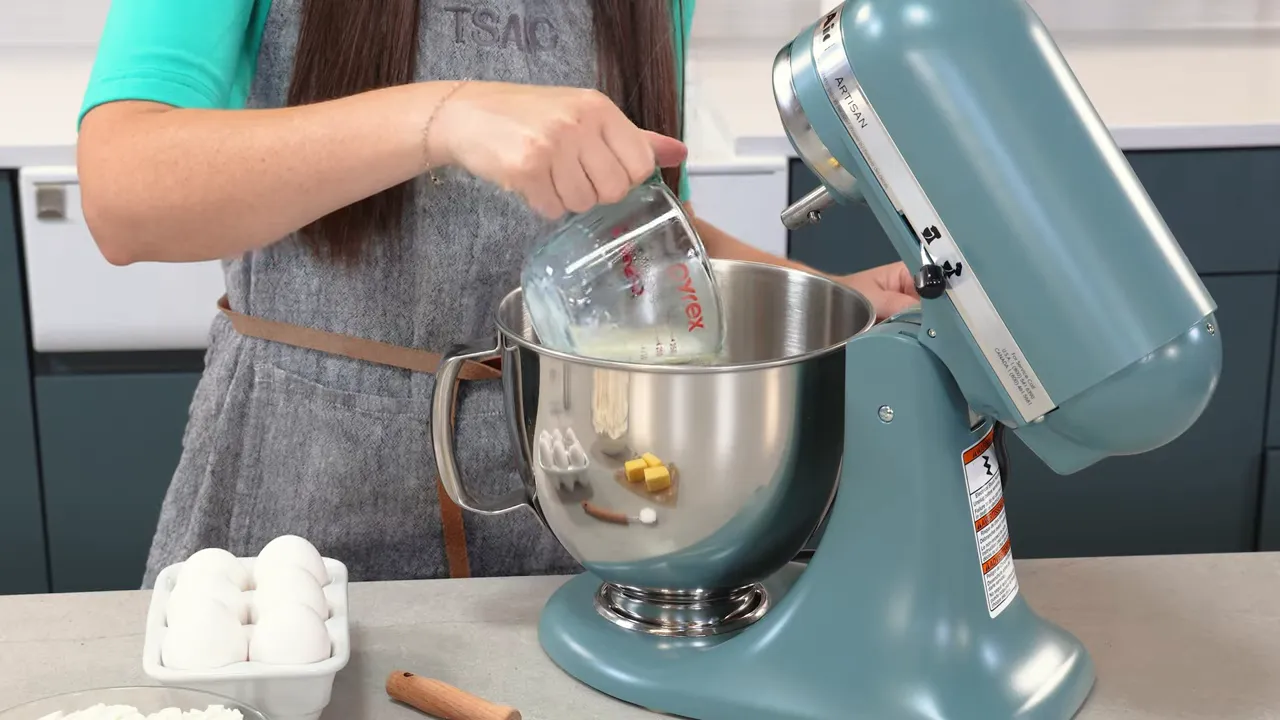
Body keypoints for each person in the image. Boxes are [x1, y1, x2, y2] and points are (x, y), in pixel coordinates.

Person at [77, 0, 920, 587]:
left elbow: (640, 230)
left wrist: (830, 294)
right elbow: (124, 194)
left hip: (578, 505)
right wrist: (443, 116)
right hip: (291, 509)